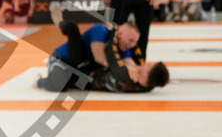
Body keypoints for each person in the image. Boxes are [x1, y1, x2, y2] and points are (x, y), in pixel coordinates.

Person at [40, 6, 169, 93]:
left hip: (81, 67)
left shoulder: (123, 46)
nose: (132, 45)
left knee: (80, 75)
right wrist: (123, 69)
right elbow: (99, 58)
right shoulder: (100, 31)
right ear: (120, 34)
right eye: (131, 40)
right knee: (74, 33)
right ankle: (39, 81)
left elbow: (129, 62)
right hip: (65, 58)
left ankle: (64, 76)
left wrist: (137, 70)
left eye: (135, 42)